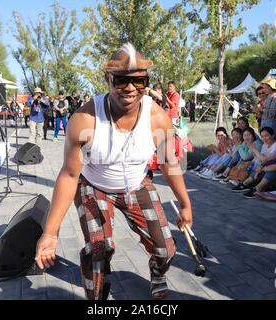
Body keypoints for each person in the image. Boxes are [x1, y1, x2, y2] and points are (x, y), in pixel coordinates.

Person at [34, 43, 192, 300]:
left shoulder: (157, 118)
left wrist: (185, 203)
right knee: (99, 250)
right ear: (107, 79)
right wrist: (50, 233)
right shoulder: (86, 120)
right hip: (94, 186)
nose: (130, 88)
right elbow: (70, 175)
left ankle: (158, 273)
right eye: (121, 81)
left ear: (146, 82)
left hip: (137, 184)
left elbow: (168, 163)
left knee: (166, 248)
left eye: (139, 81)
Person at [235, 127, 276, 194]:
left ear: (273, 135)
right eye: (262, 136)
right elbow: (260, 157)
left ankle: (247, 182)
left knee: (258, 160)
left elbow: (266, 159)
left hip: (272, 167)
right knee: (255, 160)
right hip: (262, 167)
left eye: (266, 136)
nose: (264, 138)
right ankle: (247, 181)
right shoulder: (264, 145)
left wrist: (253, 149)